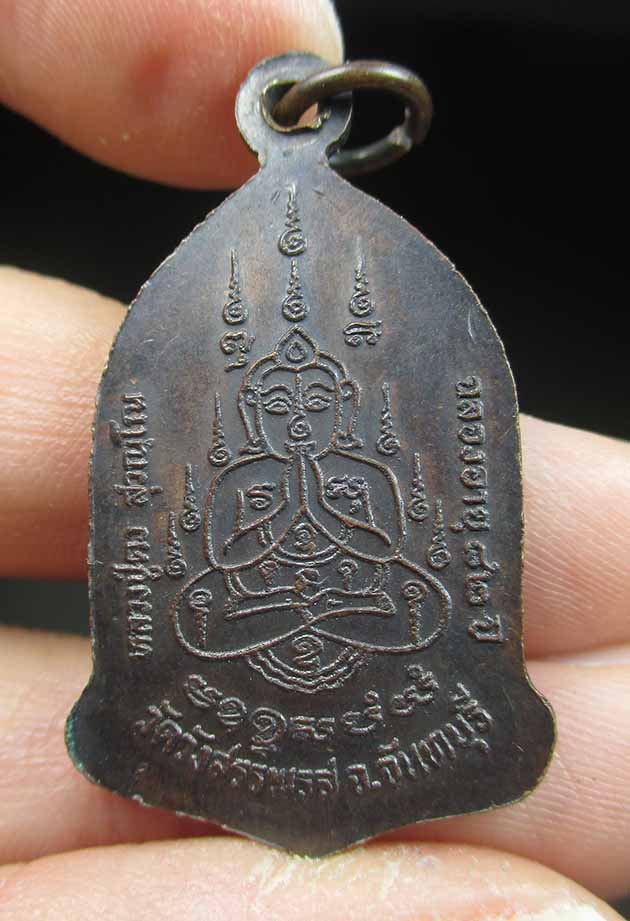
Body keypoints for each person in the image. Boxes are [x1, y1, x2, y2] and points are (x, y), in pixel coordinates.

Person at [0, 1, 628, 918]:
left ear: (338, 407)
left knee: (421, 602)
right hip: (257, 603)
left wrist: (328, 522)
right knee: (204, 609)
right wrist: (276, 540)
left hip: (350, 599)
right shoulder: (247, 477)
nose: (299, 416)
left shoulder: (361, 473)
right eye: (280, 406)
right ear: (258, 411)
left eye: (316, 405)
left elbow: (390, 555)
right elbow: (220, 562)